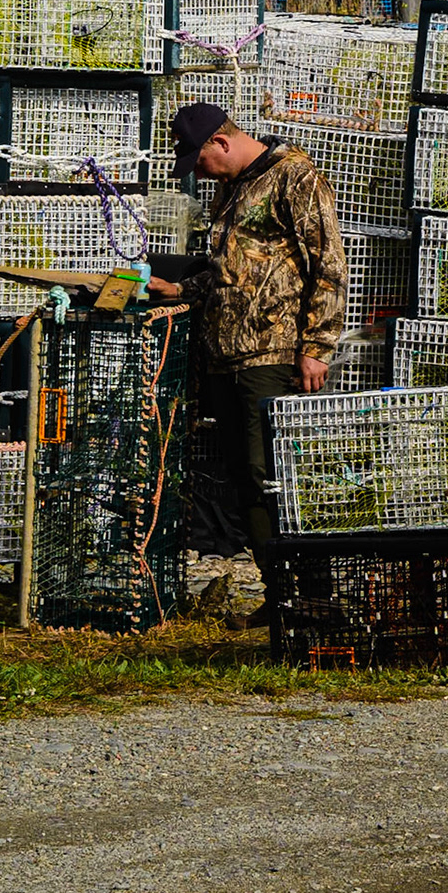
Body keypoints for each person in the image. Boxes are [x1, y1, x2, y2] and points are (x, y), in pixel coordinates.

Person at [151, 103, 347, 626]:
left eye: (200, 161)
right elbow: (229, 271)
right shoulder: (231, 187)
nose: (200, 173)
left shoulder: (294, 177)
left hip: (273, 355)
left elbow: (328, 264)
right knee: (244, 481)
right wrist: (181, 289)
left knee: (275, 477)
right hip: (226, 357)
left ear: (221, 141)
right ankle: (280, 596)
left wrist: (317, 346)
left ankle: (316, 599)